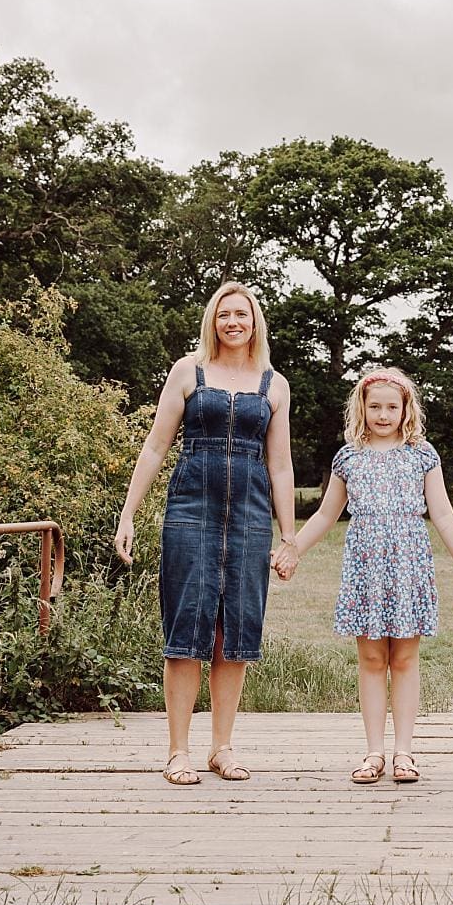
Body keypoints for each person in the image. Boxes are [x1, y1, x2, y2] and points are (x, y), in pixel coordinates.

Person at [113, 282, 295, 786]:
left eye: (242, 314)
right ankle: (177, 751)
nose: (233, 322)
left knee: (235, 633)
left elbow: (280, 465)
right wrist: (128, 514)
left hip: (250, 516)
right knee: (186, 628)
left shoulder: (273, 384)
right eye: (224, 314)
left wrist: (289, 535)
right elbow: (154, 447)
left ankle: (222, 748)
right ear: (212, 321)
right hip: (191, 509)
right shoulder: (188, 371)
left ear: (255, 321)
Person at [274, 368, 453, 786]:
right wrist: (293, 548)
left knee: (403, 658)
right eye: (375, 406)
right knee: (370, 659)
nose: (383, 414)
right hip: (366, 568)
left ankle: (404, 751)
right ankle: (373, 752)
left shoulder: (422, 454)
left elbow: (441, 513)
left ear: (406, 409)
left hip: (408, 565)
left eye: (391, 406)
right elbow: (328, 514)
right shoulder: (349, 457)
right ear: (361, 408)